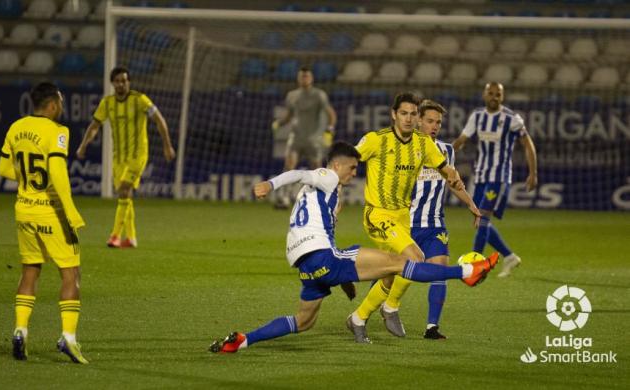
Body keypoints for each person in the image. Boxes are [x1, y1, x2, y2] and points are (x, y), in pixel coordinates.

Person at [208, 141, 498, 353]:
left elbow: (321, 231)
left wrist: (343, 277)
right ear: (337, 164)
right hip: (322, 256)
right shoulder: (327, 176)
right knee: (397, 262)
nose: (353, 173)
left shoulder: (320, 197)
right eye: (352, 167)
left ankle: (243, 340)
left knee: (303, 321)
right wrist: (269, 185)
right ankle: (467, 271)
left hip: (307, 265)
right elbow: (298, 173)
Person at [347, 92, 480, 343]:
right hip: (378, 214)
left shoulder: (425, 145)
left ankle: (359, 317)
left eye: (413, 114)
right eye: (404, 114)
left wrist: (454, 178)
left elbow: (445, 169)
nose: (409, 119)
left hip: (405, 218)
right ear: (394, 115)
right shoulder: (377, 140)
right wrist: (334, 191)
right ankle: (390, 306)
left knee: (394, 270)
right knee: (414, 259)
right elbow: (347, 160)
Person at [0, 82, 88, 364]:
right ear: (51, 105)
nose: (61, 107)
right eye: (60, 102)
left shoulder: (15, 128)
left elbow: (3, 169)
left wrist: (27, 180)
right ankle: (68, 339)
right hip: (52, 213)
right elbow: (59, 175)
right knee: (71, 273)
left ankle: (20, 330)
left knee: (30, 271)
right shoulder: (58, 132)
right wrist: (71, 214)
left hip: (24, 210)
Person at [76, 66, 176, 248]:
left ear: (129, 82)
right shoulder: (107, 104)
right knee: (125, 195)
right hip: (119, 158)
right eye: (117, 81)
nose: (121, 84)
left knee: (123, 190)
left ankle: (115, 235)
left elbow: (159, 120)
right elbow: (94, 126)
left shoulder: (140, 100)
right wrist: (84, 145)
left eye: (124, 80)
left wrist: (167, 145)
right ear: (112, 83)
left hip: (138, 155)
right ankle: (131, 238)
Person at [410, 99, 482, 339]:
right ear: (418, 120)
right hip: (405, 224)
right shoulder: (406, 149)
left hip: (434, 224)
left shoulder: (446, 150)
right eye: (430, 121)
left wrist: (471, 204)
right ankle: (364, 315)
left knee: (439, 270)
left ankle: (432, 327)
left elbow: (453, 183)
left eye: (438, 122)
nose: (434, 126)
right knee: (392, 274)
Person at [453, 82, 538, 278]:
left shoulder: (511, 119)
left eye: (498, 94)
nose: (494, 97)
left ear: (503, 96)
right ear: (484, 95)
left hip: (499, 178)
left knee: (482, 219)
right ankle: (509, 256)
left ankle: (475, 266)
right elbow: (461, 141)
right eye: (490, 93)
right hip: (481, 175)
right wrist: (443, 155)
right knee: (480, 219)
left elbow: (528, 144)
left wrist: (533, 173)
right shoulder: (478, 116)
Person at [271, 67, 337, 208]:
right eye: (302, 76)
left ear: (311, 78)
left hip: (313, 139)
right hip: (296, 137)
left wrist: (329, 130)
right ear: (298, 78)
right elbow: (289, 115)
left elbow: (331, 114)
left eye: (307, 76)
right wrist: (279, 123)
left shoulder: (319, 95)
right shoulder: (292, 95)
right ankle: (284, 198)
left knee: (317, 171)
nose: (304, 79)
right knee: (288, 167)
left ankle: (319, 200)